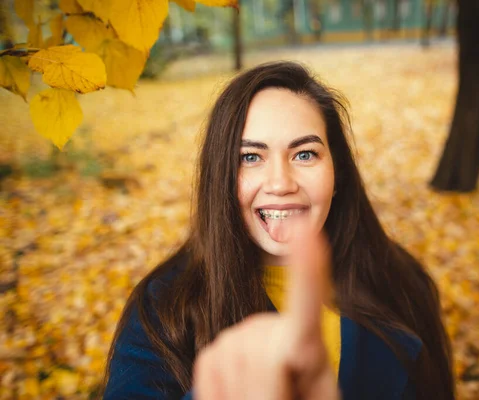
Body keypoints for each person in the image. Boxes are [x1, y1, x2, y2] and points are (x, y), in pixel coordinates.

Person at [100, 61, 455, 399]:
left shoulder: (404, 282)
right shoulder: (164, 307)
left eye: (304, 154)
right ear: (220, 177)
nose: (280, 183)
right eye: (250, 157)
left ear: (338, 174)